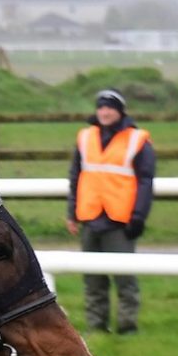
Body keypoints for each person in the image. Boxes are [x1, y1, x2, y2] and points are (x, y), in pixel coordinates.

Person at [66, 88, 155, 334]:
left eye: (110, 107)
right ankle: (97, 327)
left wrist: (139, 216)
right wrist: (72, 212)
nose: (104, 112)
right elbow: (76, 177)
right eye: (101, 107)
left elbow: (145, 182)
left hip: (120, 220)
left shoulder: (137, 140)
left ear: (120, 111)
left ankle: (127, 327)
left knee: (125, 278)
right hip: (90, 216)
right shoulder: (85, 137)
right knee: (93, 280)